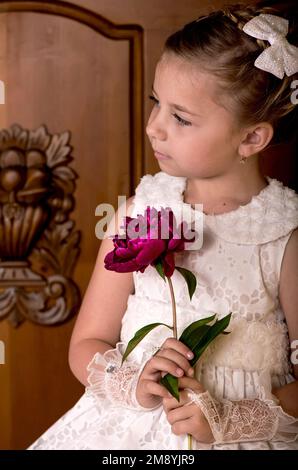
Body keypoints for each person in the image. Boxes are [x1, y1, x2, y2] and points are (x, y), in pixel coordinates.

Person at [29, 2, 298, 450]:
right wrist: (131, 381)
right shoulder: (139, 212)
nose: (154, 127)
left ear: (251, 137)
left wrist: (229, 422)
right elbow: (87, 342)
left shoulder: (283, 234)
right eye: (157, 103)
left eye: (181, 117)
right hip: (131, 429)